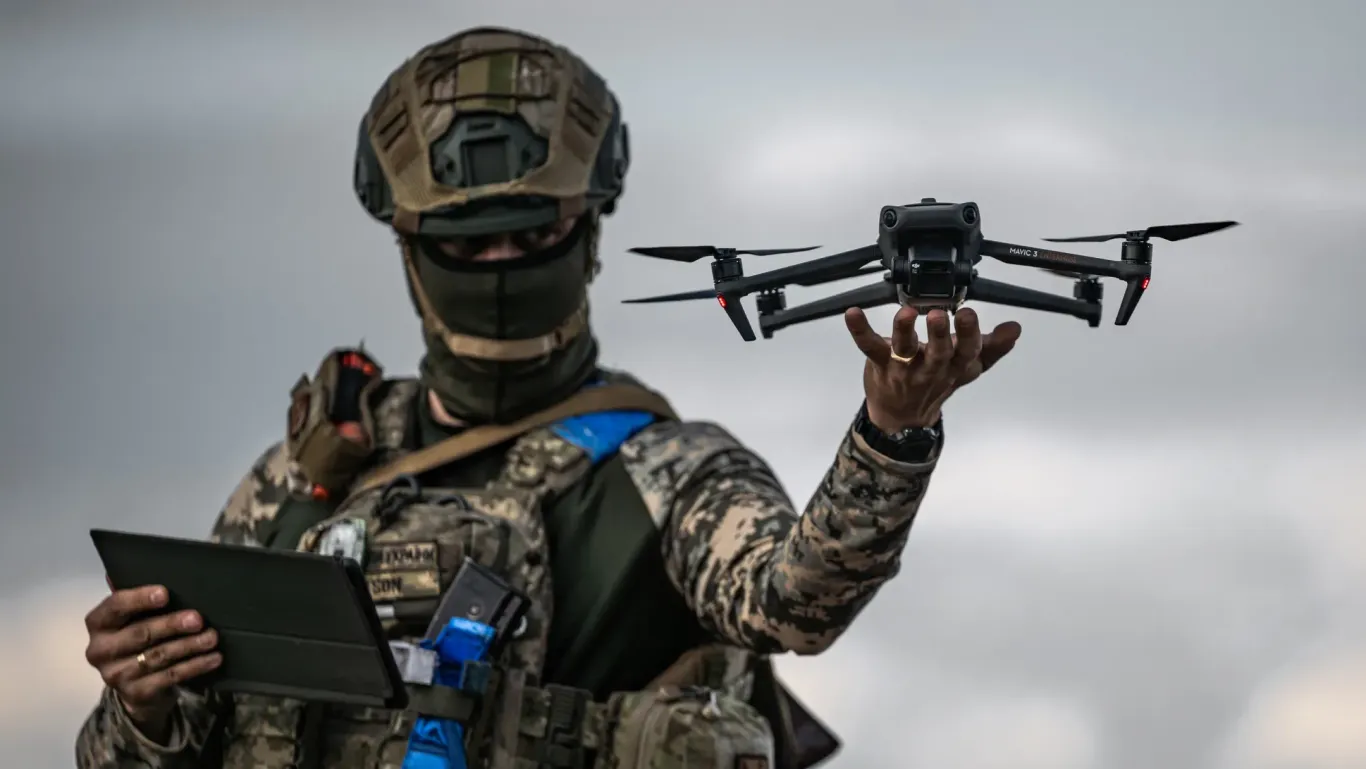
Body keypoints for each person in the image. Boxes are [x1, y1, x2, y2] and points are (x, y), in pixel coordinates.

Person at [75, 26, 1021, 769]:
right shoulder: (303, 480)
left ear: (587, 231)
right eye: (467, 243)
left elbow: (794, 603)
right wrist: (140, 698)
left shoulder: (669, 471)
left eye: (532, 236)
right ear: (411, 246)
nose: (500, 264)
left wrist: (892, 433)